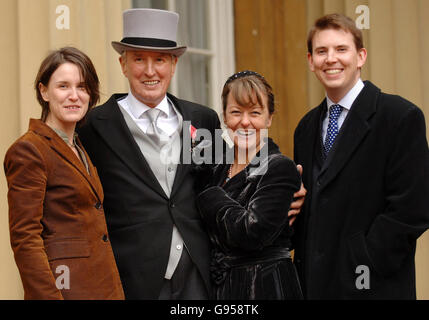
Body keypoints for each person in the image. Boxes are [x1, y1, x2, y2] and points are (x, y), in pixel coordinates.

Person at [293, 13, 429, 299]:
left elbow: (413, 209)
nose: (331, 59)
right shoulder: (305, 128)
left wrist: (364, 260)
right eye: (321, 51)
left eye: (341, 49)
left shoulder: (400, 117)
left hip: (373, 286)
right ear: (310, 61)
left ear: (361, 56)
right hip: (314, 287)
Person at [3, 47, 124, 300]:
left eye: (82, 87)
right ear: (44, 91)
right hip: (67, 291)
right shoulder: (29, 149)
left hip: (103, 288)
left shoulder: (79, 147)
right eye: (63, 86)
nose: (74, 96)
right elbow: (26, 239)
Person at [196, 70, 303, 300]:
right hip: (221, 290)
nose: (245, 122)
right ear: (224, 117)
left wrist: (210, 196)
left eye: (255, 112)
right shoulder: (216, 169)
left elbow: (252, 232)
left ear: (269, 118)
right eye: (236, 112)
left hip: (265, 287)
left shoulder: (279, 167)